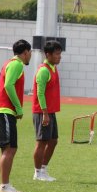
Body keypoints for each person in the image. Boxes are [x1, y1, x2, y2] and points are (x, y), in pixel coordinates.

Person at [0, 39, 32, 192]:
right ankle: (5, 185)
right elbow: (8, 85)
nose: (31, 56)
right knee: (10, 149)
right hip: (4, 110)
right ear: (26, 52)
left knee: (6, 150)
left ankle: (5, 183)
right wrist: (19, 108)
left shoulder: (9, 63)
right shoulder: (17, 64)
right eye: (30, 53)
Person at [32, 41, 62, 182]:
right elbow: (40, 93)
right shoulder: (44, 70)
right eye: (56, 54)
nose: (59, 57)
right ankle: (37, 173)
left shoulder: (53, 68)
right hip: (42, 112)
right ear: (48, 54)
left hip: (50, 112)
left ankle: (43, 170)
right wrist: (44, 113)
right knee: (42, 142)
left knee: (53, 141)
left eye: (60, 53)